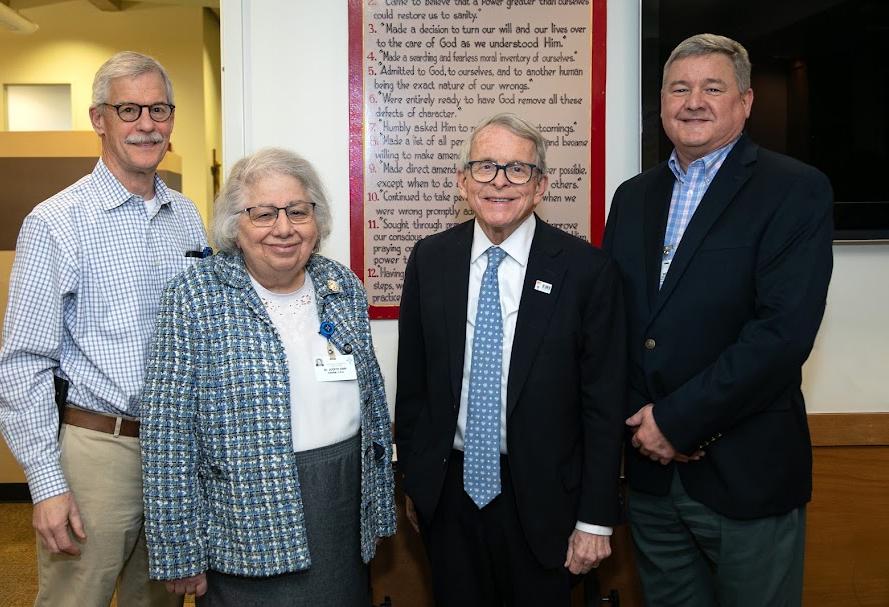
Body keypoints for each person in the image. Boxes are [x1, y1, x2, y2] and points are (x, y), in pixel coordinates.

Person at [602, 34, 834, 607]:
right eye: (680, 88)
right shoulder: (632, 198)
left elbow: (781, 336)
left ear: (746, 101)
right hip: (652, 477)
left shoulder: (795, 190)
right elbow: (614, 324)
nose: (693, 101)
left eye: (713, 87)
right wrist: (643, 428)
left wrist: (676, 422)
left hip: (745, 475)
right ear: (661, 102)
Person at [0, 51, 207, 607]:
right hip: (97, 452)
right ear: (98, 119)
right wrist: (46, 481)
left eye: (158, 109)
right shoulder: (55, 222)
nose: (146, 124)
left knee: (157, 602)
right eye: (128, 109)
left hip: (174, 452)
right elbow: (22, 362)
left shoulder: (186, 216)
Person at [139, 147, 396, 606]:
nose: (283, 228)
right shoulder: (194, 298)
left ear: (316, 221)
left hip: (341, 502)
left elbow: (372, 407)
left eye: (298, 212)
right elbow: (168, 437)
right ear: (234, 225)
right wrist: (180, 549)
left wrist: (375, 512)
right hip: (243, 520)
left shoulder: (343, 286)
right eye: (263, 214)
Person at [394, 112, 627, 606]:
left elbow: (603, 406)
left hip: (545, 503)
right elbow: (414, 384)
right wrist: (417, 484)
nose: (500, 182)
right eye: (485, 167)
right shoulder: (430, 259)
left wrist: (595, 518)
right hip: (451, 496)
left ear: (540, 186)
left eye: (517, 170)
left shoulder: (587, 271)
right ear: (463, 181)